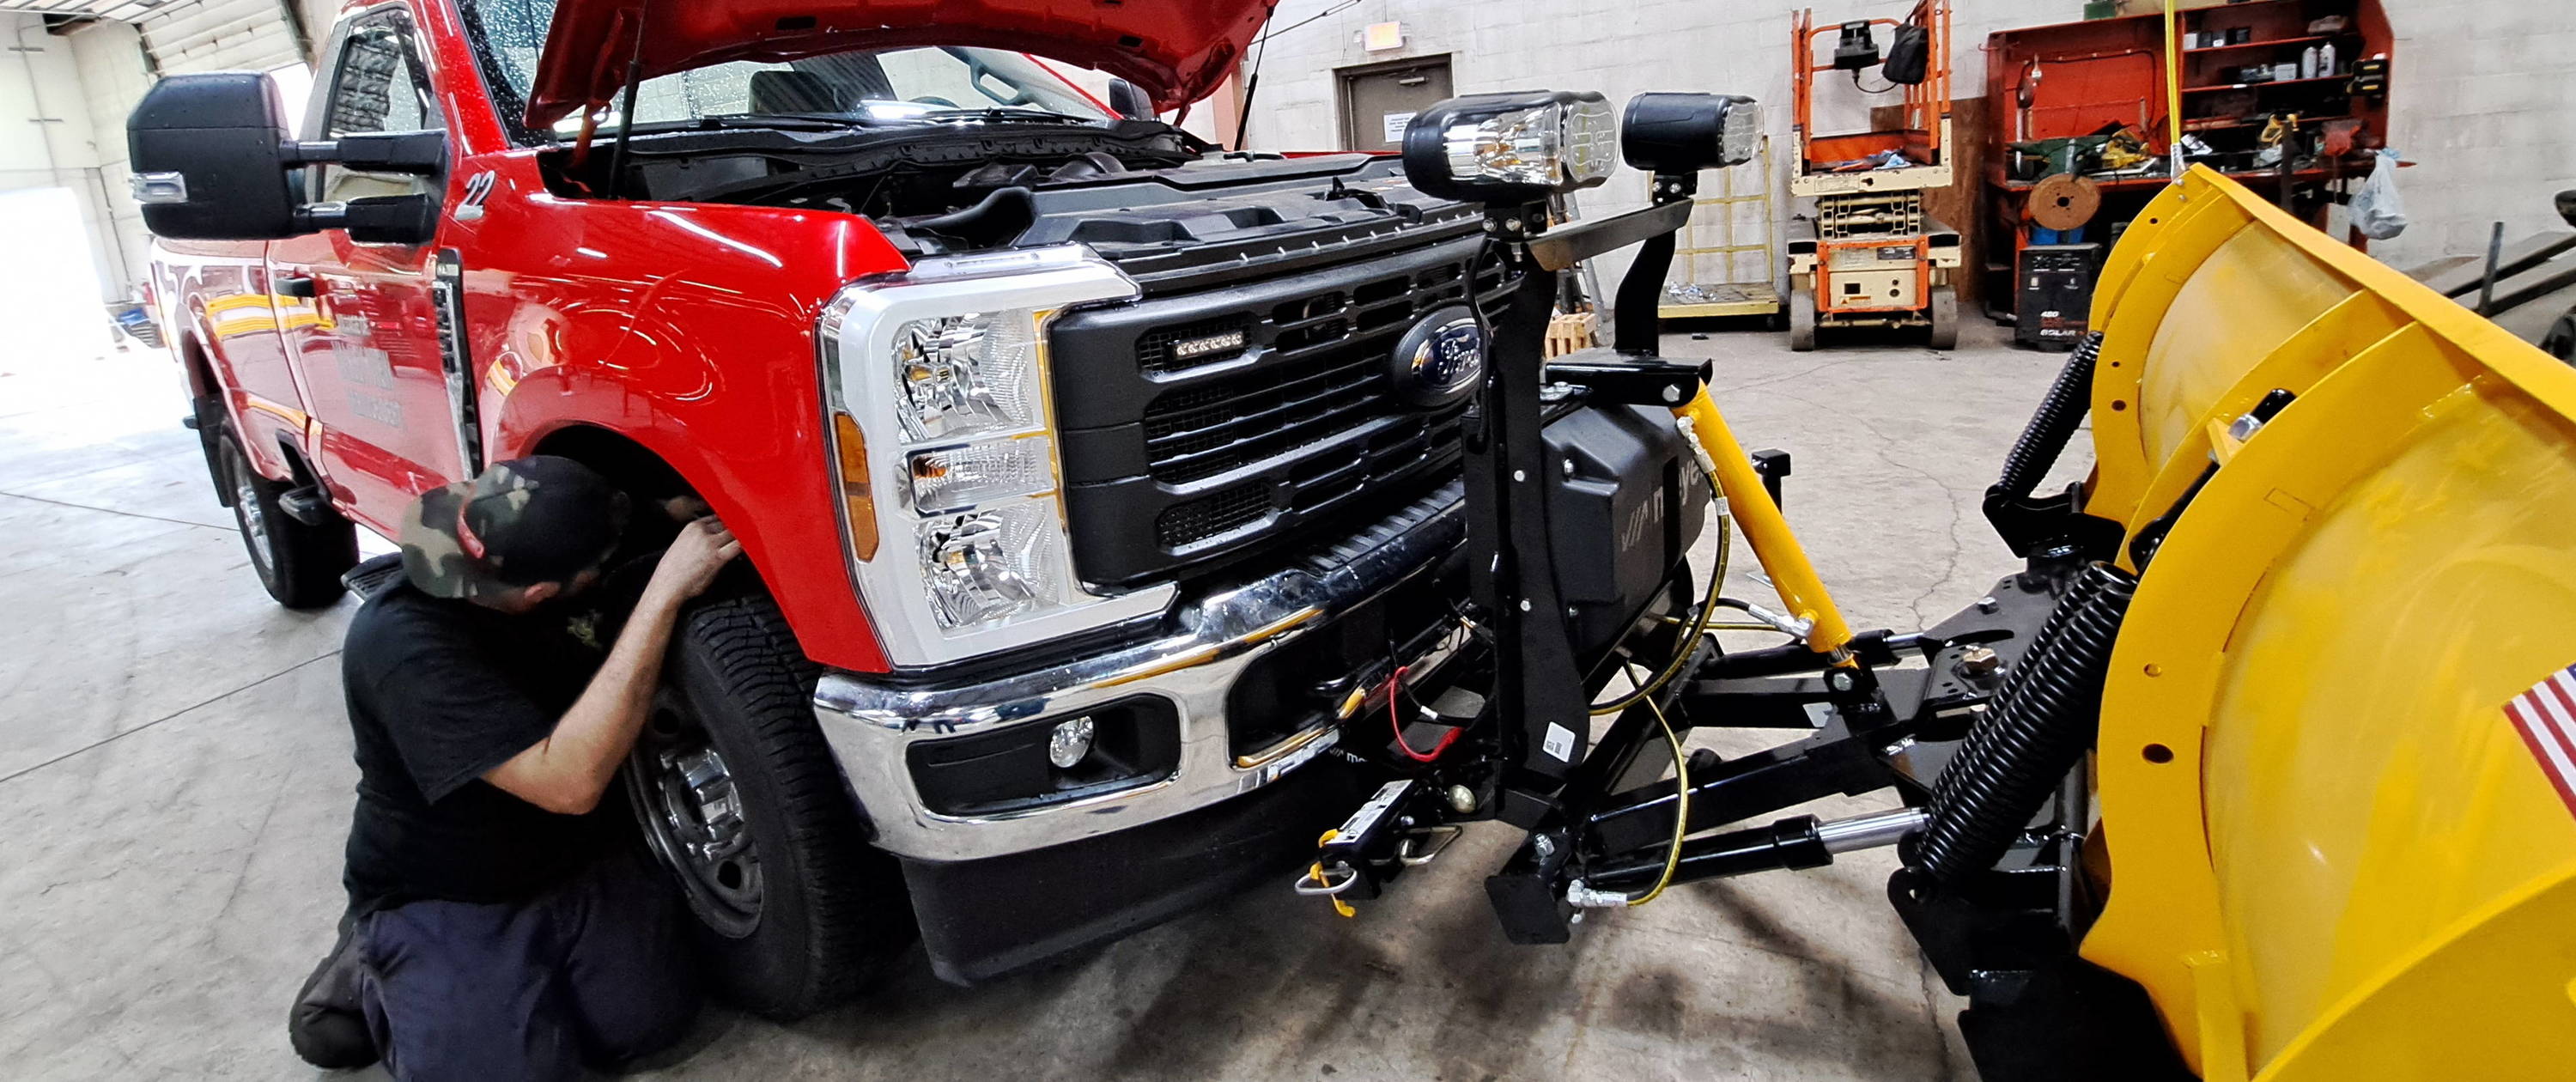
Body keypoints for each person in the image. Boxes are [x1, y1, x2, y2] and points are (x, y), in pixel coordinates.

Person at [287, 456, 740, 1079]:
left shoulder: (523, 528)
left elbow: (629, 519)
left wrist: (683, 514)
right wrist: (662, 595)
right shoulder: (405, 648)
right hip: (450, 889)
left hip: (571, 865)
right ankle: (368, 962)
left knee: (646, 1023)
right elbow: (570, 783)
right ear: (541, 596)